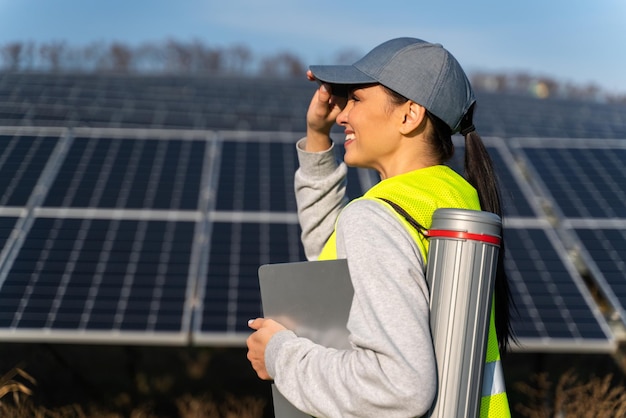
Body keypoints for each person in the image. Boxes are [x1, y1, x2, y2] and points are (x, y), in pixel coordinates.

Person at [247, 37, 514, 417]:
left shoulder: (377, 216)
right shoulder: (453, 197)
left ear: (409, 115)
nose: (341, 115)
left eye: (356, 99)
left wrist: (280, 355)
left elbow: (397, 387)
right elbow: (338, 264)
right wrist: (318, 140)